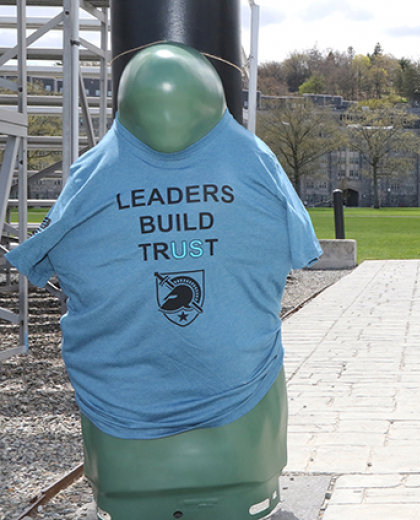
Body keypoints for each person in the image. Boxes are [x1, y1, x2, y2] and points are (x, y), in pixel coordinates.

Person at [5, 42, 321, 519]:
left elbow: (38, 261)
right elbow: (302, 252)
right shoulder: (259, 166)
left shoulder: (89, 178)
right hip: (245, 429)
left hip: (122, 437)